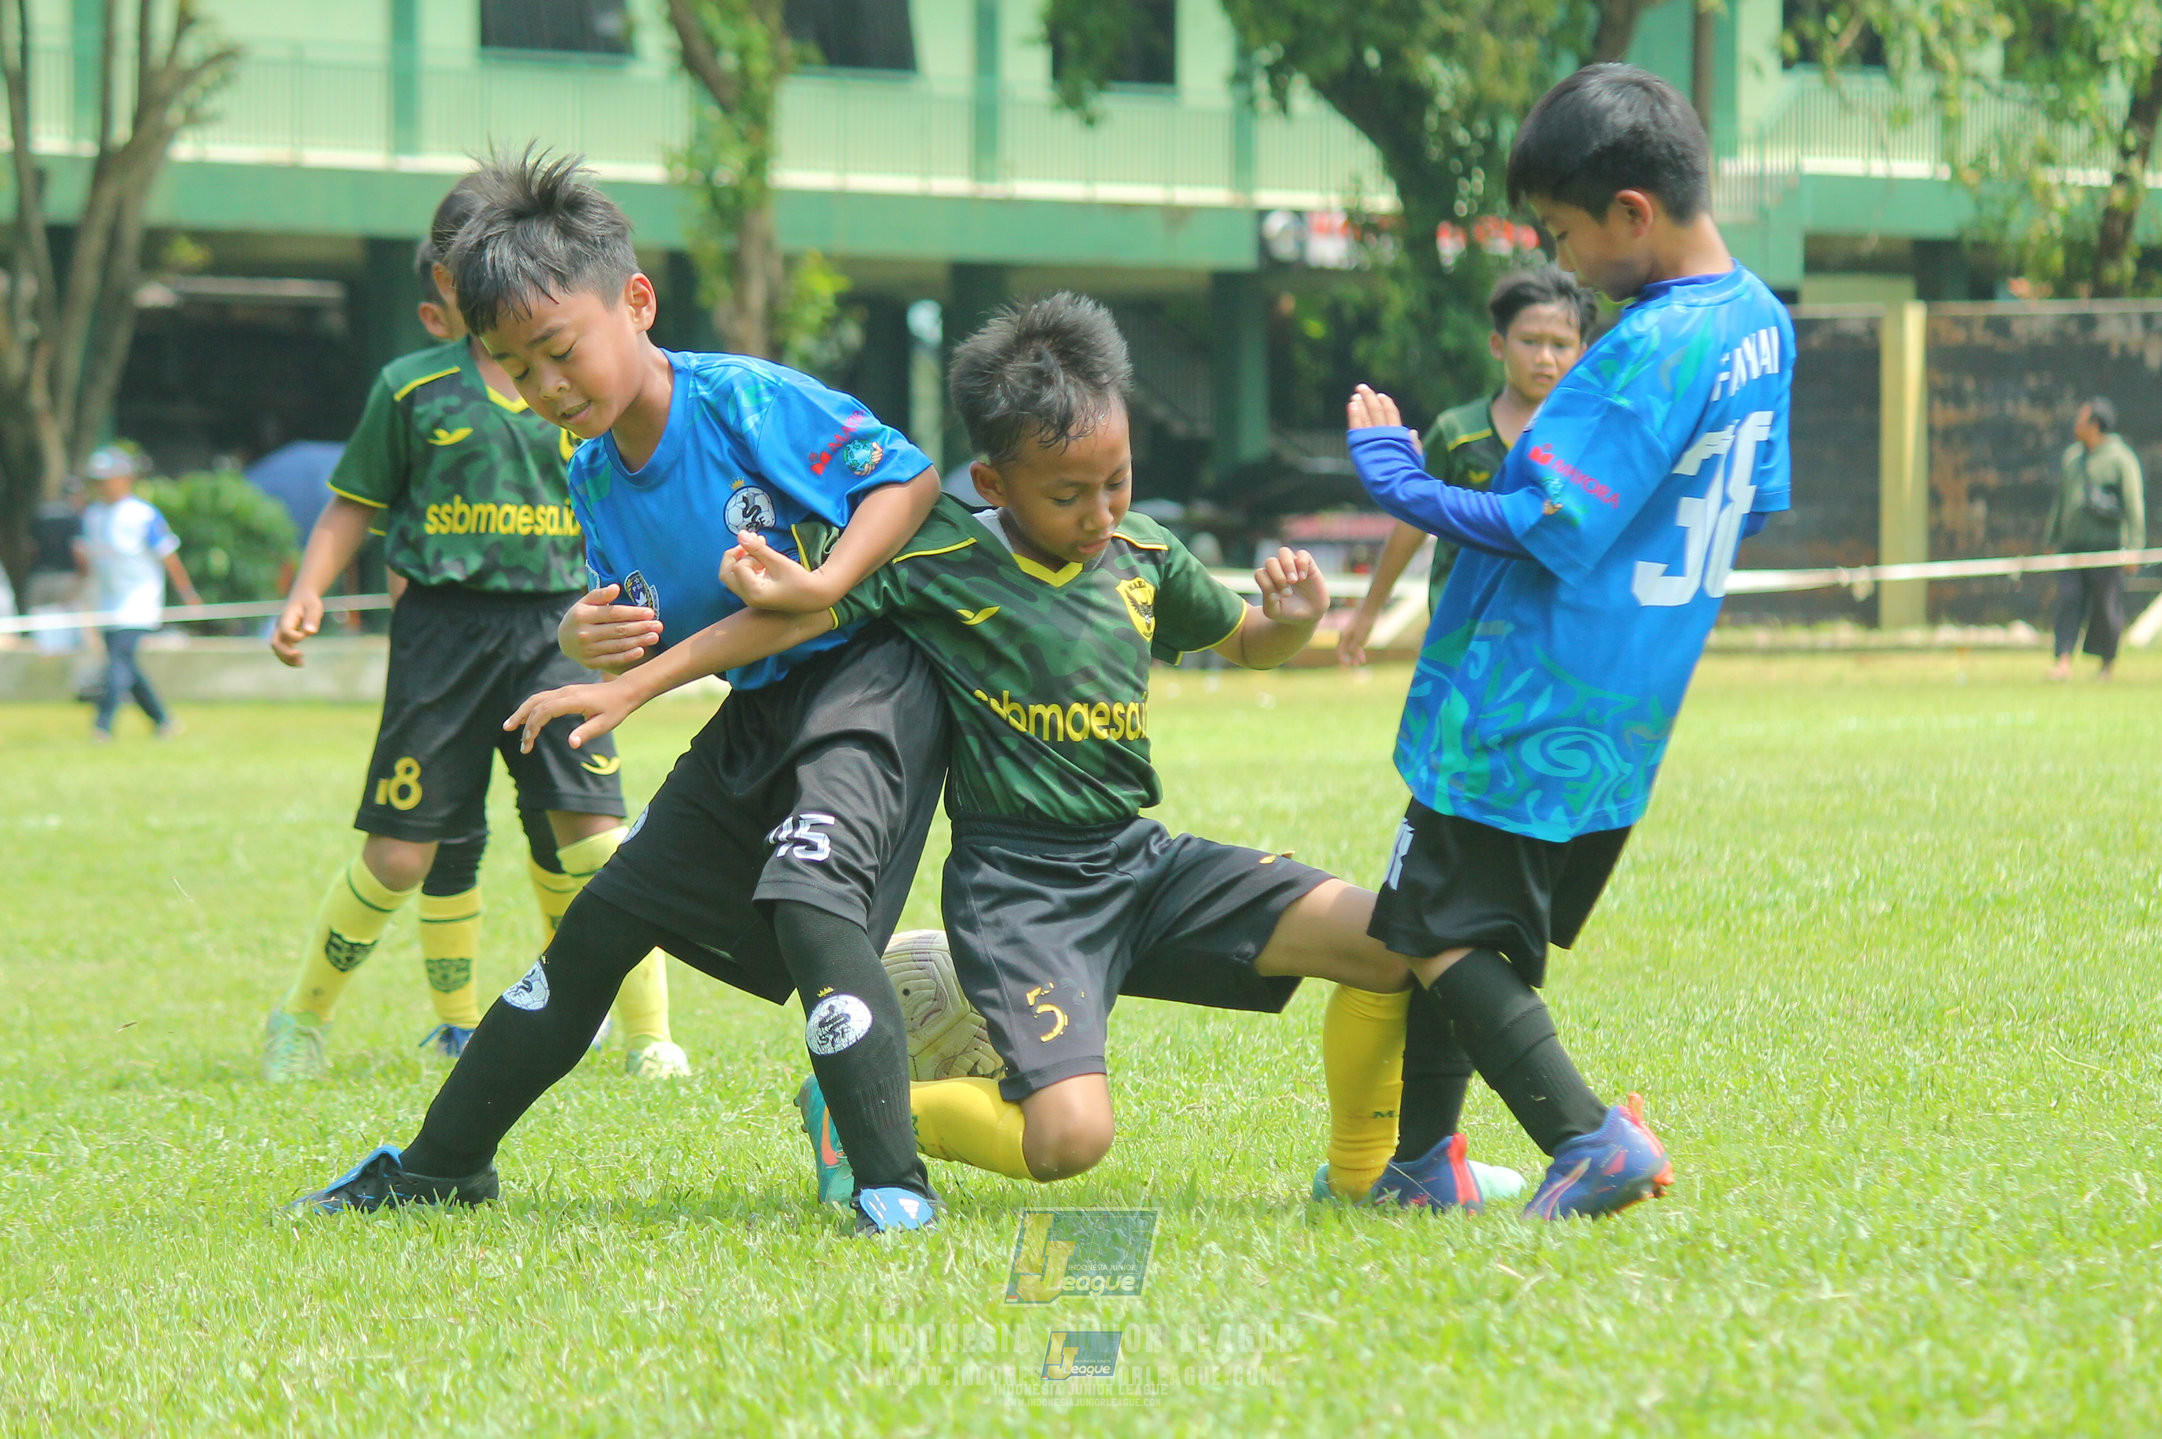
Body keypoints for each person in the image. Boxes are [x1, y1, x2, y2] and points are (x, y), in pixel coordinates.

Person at [506, 294, 1496, 1206]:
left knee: (1401, 940)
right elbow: (781, 625)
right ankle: (860, 1110)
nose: (1100, 513)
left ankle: (1370, 1175)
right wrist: (641, 672)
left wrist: (1293, 617)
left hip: (1142, 863)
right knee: (1069, 1141)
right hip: (1024, 896)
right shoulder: (939, 556)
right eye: (1069, 494)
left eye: (1116, 481)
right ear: (994, 482)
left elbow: (1245, 640)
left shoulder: (1144, 550)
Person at [287, 150, 950, 1234]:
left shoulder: (738, 399)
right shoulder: (589, 468)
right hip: (761, 706)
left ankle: (895, 1184)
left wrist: (815, 581)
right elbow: (648, 611)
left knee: (809, 905)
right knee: (595, 929)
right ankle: (441, 1163)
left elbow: (906, 476)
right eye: (515, 368)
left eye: (558, 351)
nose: (545, 387)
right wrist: (585, 634)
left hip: (869, 683)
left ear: (634, 301)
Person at [1336, 62, 1793, 1219]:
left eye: (1566, 231)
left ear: (1631, 214)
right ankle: (1420, 1162)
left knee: (1428, 924)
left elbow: (1540, 522)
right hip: (1627, 701)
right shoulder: (1758, 324)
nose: (1564, 258)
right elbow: (1744, 500)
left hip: (1526, 690)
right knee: (1466, 918)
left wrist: (1396, 476)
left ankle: (1586, 1136)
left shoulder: (1648, 346)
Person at [260, 174, 685, 1083]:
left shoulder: (589, 382)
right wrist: (307, 590)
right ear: (449, 284)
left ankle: (650, 1038)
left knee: (595, 836)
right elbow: (352, 503)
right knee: (403, 851)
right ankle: (298, 1018)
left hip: (557, 628)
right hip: (440, 637)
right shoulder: (411, 391)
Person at [1337, 266, 1596, 665]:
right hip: (1459, 631)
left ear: (1582, 353)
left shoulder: (1589, 442)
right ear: (1498, 344)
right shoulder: (1458, 432)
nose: (1544, 357)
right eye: (1529, 341)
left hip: (1547, 634)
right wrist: (1370, 609)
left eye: (1560, 345)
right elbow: (1413, 518)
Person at [75, 446, 199, 742]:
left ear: (126, 478)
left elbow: (168, 555)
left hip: (138, 601)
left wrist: (188, 594)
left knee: (118, 660)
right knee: (126, 665)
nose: (101, 485)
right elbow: (89, 561)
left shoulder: (142, 514)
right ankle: (164, 721)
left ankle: (102, 726)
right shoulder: (92, 515)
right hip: (108, 602)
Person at [2043, 396, 2144, 681]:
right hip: (2072, 546)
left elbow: (2134, 505)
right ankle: (2063, 661)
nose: (2076, 424)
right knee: (2068, 600)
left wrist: (2134, 548)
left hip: (2107, 547)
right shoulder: (2072, 458)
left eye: (2082, 419)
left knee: (2105, 607)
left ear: (2095, 424)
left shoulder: (2120, 459)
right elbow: (2061, 501)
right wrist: (2052, 538)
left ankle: (2106, 664)